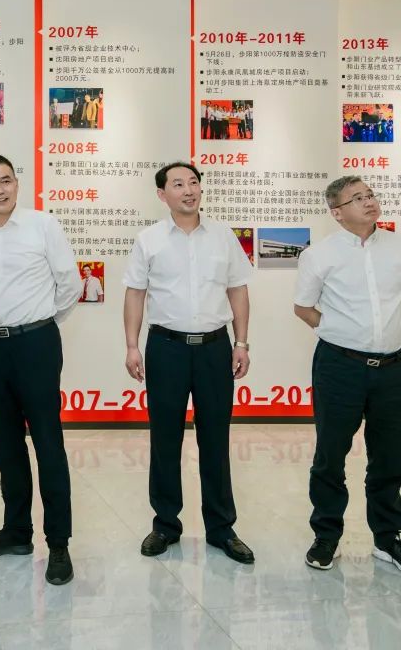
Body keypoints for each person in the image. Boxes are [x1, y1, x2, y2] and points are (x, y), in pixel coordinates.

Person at [294, 175, 401, 578]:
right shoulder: (319, 255)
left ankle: (388, 539)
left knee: (389, 455)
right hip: (339, 367)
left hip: (395, 367)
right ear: (337, 213)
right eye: (357, 198)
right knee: (330, 455)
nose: (369, 201)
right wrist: (342, 333)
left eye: (370, 194)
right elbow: (304, 308)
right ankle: (326, 536)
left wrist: (385, 334)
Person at [123, 162, 255, 564]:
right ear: (162, 194)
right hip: (166, 348)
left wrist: (241, 342)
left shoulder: (223, 236)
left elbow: (238, 290)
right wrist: (132, 346)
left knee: (215, 438)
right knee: (165, 438)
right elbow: (135, 294)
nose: (188, 190)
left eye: (194, 183)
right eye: (178, 184)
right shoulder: (149, 239)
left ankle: (221, 527)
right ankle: (165, 525)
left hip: (215, 348)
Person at [0, 154, 81, 585]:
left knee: (48, 443)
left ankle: (59, 543)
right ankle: (16, 531)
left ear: (17, 184)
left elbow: (70, 285)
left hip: (36, 345)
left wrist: (41, 324)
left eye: (6, 181)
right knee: (6, 445)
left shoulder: (42, 226)